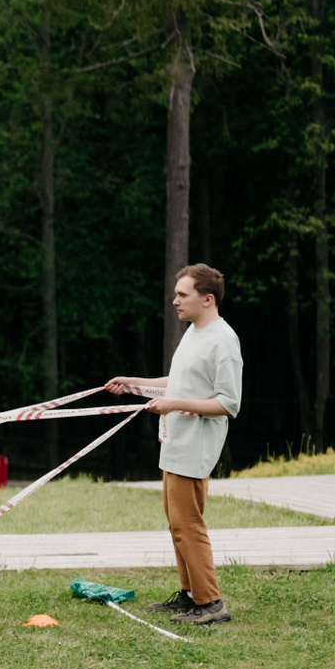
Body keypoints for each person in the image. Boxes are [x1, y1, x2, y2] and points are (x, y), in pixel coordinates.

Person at [104, 264, 242, 626]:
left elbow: (229, 403)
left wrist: (174, 404)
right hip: (176, 441)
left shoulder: (223, 340)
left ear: (207, 299)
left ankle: (211, 605)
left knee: (188, 523)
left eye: (183, 295)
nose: (175, 301)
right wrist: (133, 383)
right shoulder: (194, 332)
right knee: (176, 522)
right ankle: (190, 594)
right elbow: (178, 382)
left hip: (196, 445)